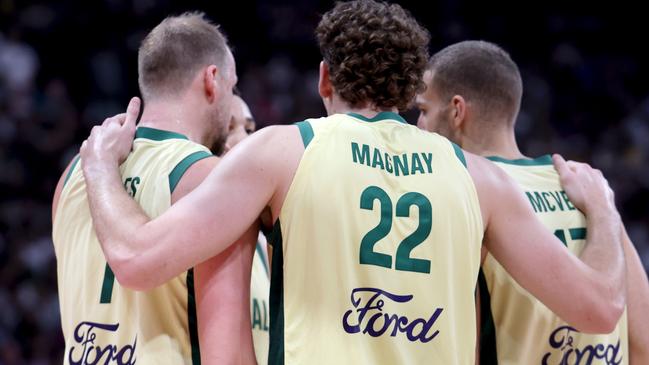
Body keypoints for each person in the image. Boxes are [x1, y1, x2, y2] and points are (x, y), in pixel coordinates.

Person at [79, 1, 626, 364]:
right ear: (413, 90)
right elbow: (600, 308)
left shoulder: (283, 150)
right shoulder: (479, 178)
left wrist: (101, 167)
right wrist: (602, 211)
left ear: (324, 78)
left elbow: (136, 259)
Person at [414, 40, 649, 364]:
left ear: (457, 111)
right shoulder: (592, 192)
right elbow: (645, 341)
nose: (418, 126)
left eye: (424, 110)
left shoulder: (468, 196)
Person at [51, 12, 257, 364]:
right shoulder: (211, 179)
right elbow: (227, 355)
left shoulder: (75, 172)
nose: (230, 104)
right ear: (212, 80)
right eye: (232, 86)